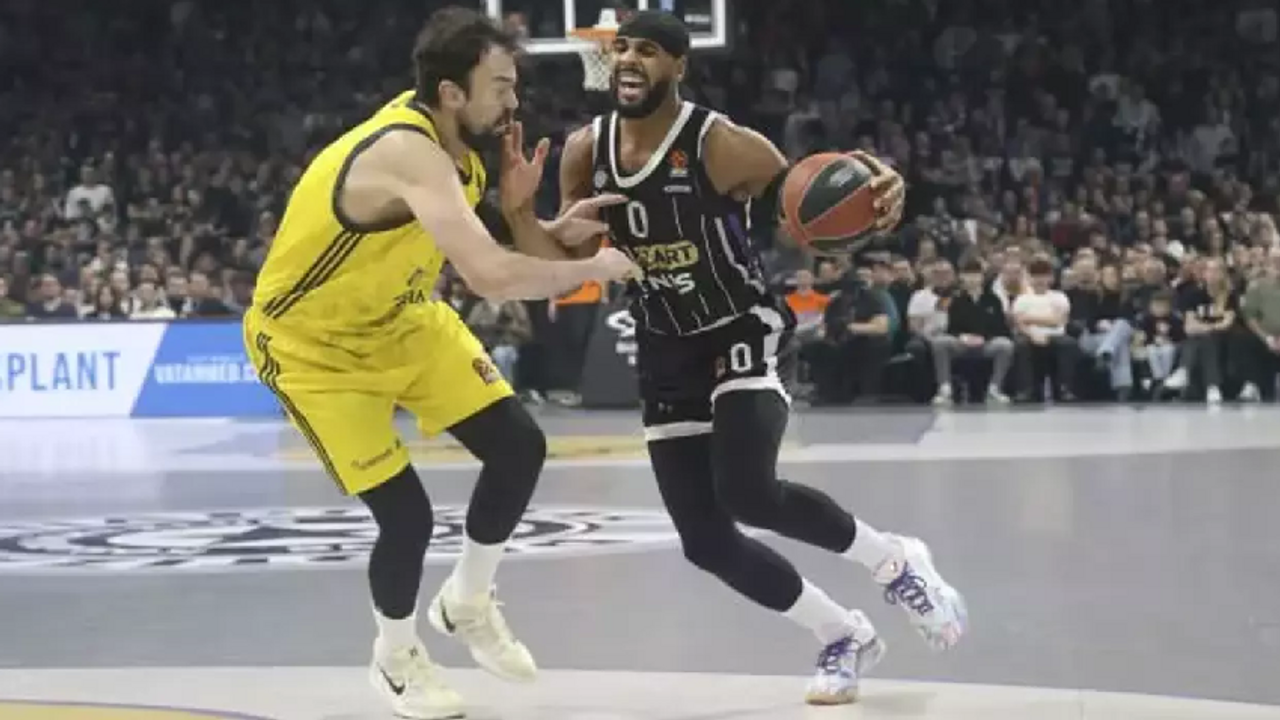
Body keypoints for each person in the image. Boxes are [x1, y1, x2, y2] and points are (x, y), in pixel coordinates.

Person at [549, 10, 967, 705]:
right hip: (663, 344)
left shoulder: (722, 144)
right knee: (705, 541)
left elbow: (808, 201)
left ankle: (894, 563)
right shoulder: (582, 150)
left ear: (679, 66)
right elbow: (561, 249)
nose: (627, 59)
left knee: (747, 491)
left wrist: (871, 184)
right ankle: (843, 634)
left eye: (647, 50)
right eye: (620, 48)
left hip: (740, 327)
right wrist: (530, 221)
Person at [242, 8, 638, 719]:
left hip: (402, 319)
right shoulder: (406, 150)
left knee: (519, 446)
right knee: (406, 517)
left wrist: (538, 223)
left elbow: (492, 249)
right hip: (313, 347)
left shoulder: (465, 151)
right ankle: (395, 657)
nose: (513, 100)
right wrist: (596, 267)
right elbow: (492, 278)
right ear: (452, 93)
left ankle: (467, 601)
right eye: (500, 86)